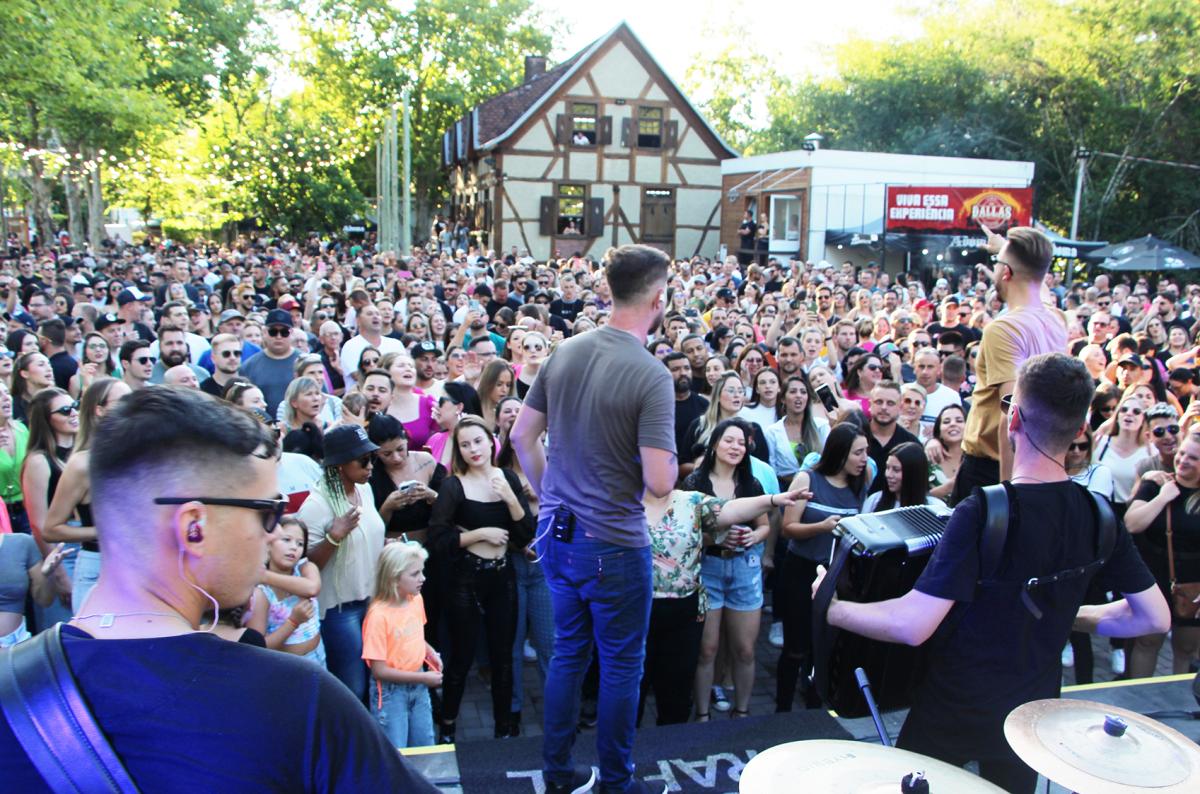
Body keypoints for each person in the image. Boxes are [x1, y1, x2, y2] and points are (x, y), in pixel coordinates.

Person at [0, 387, 438, 791]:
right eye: (269, 511)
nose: (275, 535)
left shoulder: (14, 689)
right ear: (194, 527)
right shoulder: (295, 700)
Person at [816, 353, 1168, 793]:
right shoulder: (1100, 513)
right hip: (1030, 719)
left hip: (953, 708)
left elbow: (912, 625)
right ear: (1080, 429)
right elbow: (1154, 617)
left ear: (1014, 419)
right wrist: (1073, 615)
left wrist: (831, 608)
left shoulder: (984, 510)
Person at [511, 244, 677, 794]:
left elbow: (520, 437)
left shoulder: (565, 351)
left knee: (567, 657)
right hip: (613, 544)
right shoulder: (651, 375)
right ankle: (615, 782)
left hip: (557, 534)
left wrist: (552, 496)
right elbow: (659, 482)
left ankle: (559, 774)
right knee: (622, 667)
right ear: (658, 298)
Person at [640, 469, 802, 726]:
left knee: (676, 694)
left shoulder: (690, 500)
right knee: (633, 691)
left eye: (670, 459)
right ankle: (625, 756)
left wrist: (772, 500)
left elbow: (732, 510)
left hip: (684, 613)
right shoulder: (622, 501)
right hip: (637, 611)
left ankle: (669, 750)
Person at [428, 416, 532, 741]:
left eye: (478, 441)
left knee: (504, 657)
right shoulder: (453, 485)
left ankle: (504, 729)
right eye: (465, 444)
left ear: (491, 441)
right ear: (458, 450)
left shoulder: (508, 479)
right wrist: (477, 535)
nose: (473, 449)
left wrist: (511, 499)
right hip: (466, 580)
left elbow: (526, 533)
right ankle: (448, 724)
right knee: (462, 656)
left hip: (503, 579)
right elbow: (437, 540)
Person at [947, 227, 1067, 503]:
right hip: (1038, 462)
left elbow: (1012, 414)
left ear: (1006, 273)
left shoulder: (1003, 329)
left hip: (995, 469)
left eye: (998, 264)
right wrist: (1002, 249)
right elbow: (1039, 285)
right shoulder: (1056, 319)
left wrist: (1010, 498)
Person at [776, 423, 869, 712]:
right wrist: (823, 527)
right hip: (801, 570)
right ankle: (782, 708)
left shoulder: (860, 482)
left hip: (835, 574)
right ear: (840, 453)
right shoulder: (808, 479)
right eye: (859, 452)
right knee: (796, 646)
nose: (865, 459)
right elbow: (787, 528)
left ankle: (816, 709)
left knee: (824, 646)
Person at [685, 419, 770, 720]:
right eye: (729, 441)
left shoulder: (751, 484)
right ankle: (703, 716)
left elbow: (764, 526)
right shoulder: (695, 483)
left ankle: (743, 712)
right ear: (714, 444)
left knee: (745, 649)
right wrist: (715, 536)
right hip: (708, 567)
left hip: (744, 568)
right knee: (707, 649)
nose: (736, 447)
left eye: (741, 443)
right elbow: (687, 533)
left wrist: (753, 536)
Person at [297, 424, 387, 705]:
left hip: (373, 602)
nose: (370, 465)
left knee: (374, 683)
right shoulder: (316, 506)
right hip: (340, 611)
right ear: (338, 466)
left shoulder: (366, 490)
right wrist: (334, 536)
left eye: (371, 457)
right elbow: (304, 565)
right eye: (363, 460)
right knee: (352, 689)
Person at [42, 377, 132, 612]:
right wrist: (101, 530)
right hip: (99, 566)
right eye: (123, 400)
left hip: (138, 565)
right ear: (99, 410)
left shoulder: (140, 455)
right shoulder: (83, 463)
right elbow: (51, 529)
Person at [1124, 430, 1200, 679]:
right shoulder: (1155, 483)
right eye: (1182, 453)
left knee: (1186, 649)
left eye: (1193, 458)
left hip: (1193, 585)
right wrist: (1162, 498)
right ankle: (1137, 707)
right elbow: (1132, 524)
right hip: (1154, 580)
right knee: (1146, 643)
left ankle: (1182, 710)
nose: (1183, 460)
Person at [361, 541, 443, 749]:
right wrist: (423, 677)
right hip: (391, 693)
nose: (422, 578)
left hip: (418, 685)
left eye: (421, 572)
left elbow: (415, 636)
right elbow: (379, 670)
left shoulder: (416, 599)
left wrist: (429, 652)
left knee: (424, 746)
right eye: (415, 574)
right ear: (394, 578)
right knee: (396, 753)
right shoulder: (378, 616)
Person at [20, 387, 80, 629]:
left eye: (75, 405)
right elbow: (39, 524)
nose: (73, 413)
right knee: (64, 627)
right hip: (61, 551)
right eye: (65, 410)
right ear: (47, 420)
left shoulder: (82, 453)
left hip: (91, 546)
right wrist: (59, 575)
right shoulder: (38, 461)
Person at [246, 515, 325, 666]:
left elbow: (312, 588)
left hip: (318, 656)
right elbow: (258, 647)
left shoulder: (305, 568)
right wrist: (293, 622)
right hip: (288, 666)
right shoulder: (261, 594)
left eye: (300, 543)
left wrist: (264, 576)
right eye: (286, 540)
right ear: (268, 544)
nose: (294, 547)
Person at [764, 373, 829, 487]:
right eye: (793, 391)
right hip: (786, 490)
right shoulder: (772, 432)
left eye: (803, 392)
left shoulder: (821, 426)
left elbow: (830, 461)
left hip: (820, 489)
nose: (798, 395)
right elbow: (772, 470)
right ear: (783, 398)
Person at [239, 309, 301, 416]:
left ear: (292, 333)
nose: (278, 336)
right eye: (273, 332)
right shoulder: (249, 366)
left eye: (284, 332)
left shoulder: (305, 362)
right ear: (264, 332)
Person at [865, 381, 920, 494]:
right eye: (879, 402)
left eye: (890, 403)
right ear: (870, 404)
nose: (884, 407)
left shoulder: (910, 443)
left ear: (900, 407)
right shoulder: (856, 436)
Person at [862, 441, 940, 512]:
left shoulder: (935, 507)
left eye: (896, 470)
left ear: (913, 473)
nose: (888, 475)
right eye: (887, 467)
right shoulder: (874, 501)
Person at [928, 404, 966, 502]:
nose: (953, 424)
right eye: (946, 422)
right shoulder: (928, 457)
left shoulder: (977, 458)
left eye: (959, 421)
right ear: (938, 430)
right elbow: (916, 497)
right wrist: (948, 487)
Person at [68, 333, 117, 398]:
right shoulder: (76, 380)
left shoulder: (117, 374)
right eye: (92, 347)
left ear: (108, 350)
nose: (98, 350)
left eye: (102, 346)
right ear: (85, 352)